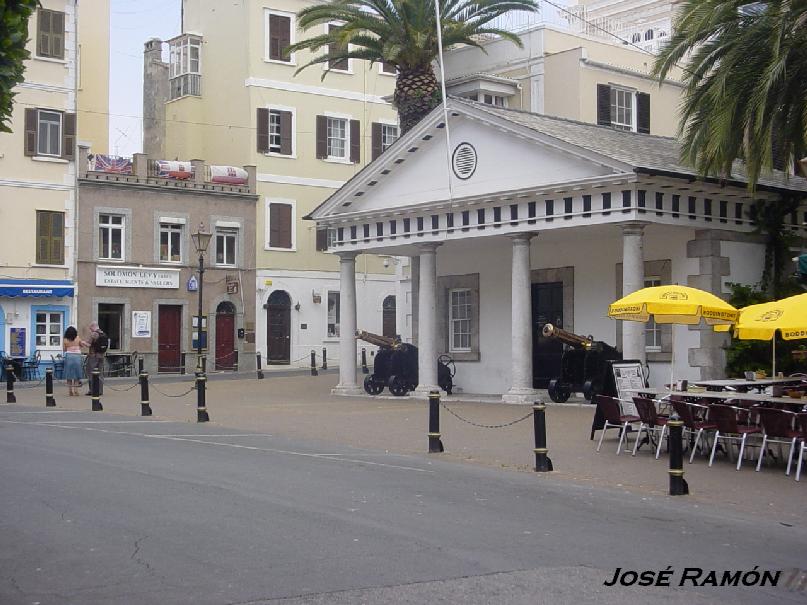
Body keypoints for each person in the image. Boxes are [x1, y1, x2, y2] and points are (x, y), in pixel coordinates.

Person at [85, 321, 107, 395]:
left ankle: (92, 390)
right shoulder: (103, 333)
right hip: (102, 355)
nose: (90, 329)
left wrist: (82, 342)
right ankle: (100, 391)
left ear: (93, 326)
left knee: (91, 372)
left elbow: (88, 344)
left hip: (93, 356)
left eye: (90, 328)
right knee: (100, 373)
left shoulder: (94, 334)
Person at [62, 326, 84, 396]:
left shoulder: (65, 339)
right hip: (77, 356)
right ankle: (76, 390)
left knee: (69, 374)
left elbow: (64, 349)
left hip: (69, 356)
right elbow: (82, 345)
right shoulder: (77, 338)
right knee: (76, 374)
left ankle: (70, 390)